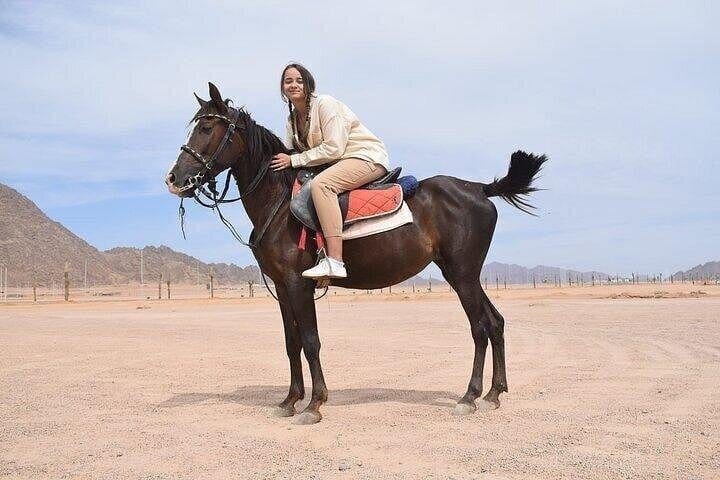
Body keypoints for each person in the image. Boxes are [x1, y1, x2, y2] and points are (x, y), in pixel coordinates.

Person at [270, 63, 390, 279]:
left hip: (364, 157)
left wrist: (294, 160)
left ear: (308, 84)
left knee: (322, 185)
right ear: (282, 88)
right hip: (337, 164)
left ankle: (335, 261)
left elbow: (334, 147)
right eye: (288, 81)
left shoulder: (325, 104)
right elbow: (290, 151)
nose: (293, 85)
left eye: (299, 80)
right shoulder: (292, 120)